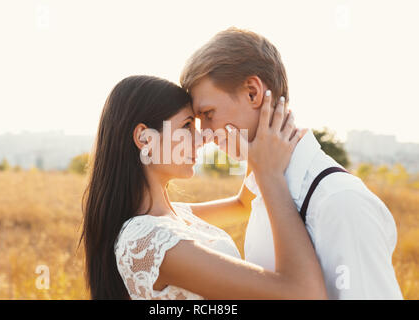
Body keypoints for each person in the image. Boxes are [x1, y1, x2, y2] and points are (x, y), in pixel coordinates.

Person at [179, 27, 403, 299]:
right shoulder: (266, 178)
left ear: (253, 92)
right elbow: (240, 205)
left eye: (208, 113)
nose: (205, 133)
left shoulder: (339, 202)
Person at [80, 75, 327, 299]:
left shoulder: (174, 215)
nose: (201, 140)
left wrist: (256, 132)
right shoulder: (147, 238)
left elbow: (242, 205)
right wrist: (270, 175)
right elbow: (303, 294)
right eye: (187, 126)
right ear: (145, 139)